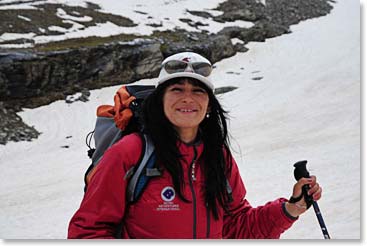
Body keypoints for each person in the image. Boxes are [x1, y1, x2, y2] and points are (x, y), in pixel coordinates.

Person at [68, 52, 322, 239]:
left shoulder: (217, 156)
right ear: (160, 101)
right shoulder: (130, 153)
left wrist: (291, 208)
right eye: (177, 89)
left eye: (198, 91)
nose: (187, 98)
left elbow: (235, 226)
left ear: (209, 104)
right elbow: (87, 232)